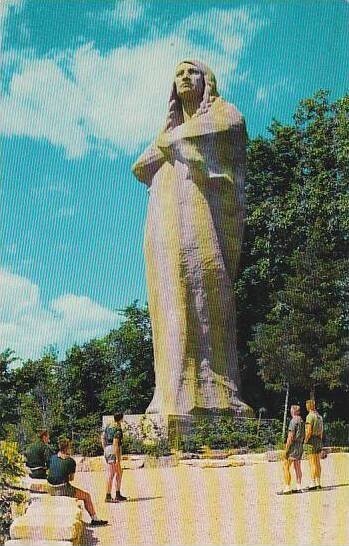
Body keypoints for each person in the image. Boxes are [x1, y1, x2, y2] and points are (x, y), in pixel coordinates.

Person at [132, 60, 251, 416]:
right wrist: (170, 139)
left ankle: (216, 394)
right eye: (179, 74)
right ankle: (172, 392)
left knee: (206, 295)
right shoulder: (172, 132)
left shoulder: (223, 115)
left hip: (201, 219)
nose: (184, 77)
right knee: (170, 302)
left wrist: (173, 140)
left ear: (207, 81)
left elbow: (233, 129)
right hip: (165, 222)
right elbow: (139, 166)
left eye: (192, 72)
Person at [47, 437, 107, 526]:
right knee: (86, 496)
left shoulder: (52, 458)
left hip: (50, 487)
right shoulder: (70, 461)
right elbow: (71, 478)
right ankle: (95, 519)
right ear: (67, 448)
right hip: (62, 488)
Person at [101, 413, 127, 502]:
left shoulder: (108, 426)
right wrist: (117, 457)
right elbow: (116, 443)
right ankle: (108, 496)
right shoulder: (117, 429)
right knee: (111, 474)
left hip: (107, 449)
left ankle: (117, 493)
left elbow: (102, 437)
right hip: (113, 450)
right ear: (121, 419)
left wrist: (105, 448)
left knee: (119, 472)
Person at [282, 405, 305, 494]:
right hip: (300, 445)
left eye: (291, 411)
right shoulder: (302, 421)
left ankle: (287, 487)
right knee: (297, 466)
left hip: (294, 446)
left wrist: (286, 449)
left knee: (286, 466)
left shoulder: (293, 421)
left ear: (294, 411)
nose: (290, 412)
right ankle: (299, 486)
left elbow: (290, 436)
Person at [304, 399, 324, 489]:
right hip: (318, 440)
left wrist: (305, 441)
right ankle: (318, 483)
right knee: (317, 462)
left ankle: (312, 483)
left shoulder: (309, 416)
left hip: (311, 440)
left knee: (312, 463)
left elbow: (308, 431)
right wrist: (319, 440)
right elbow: (321, 431)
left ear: (309, 406)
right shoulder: (319, 417)